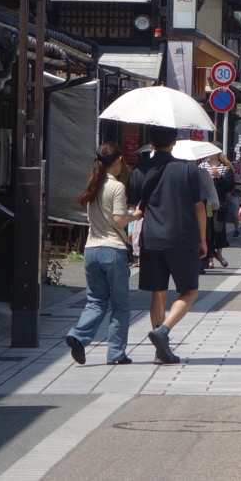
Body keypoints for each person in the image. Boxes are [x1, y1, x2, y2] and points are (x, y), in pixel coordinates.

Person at [128, 125, 208, 365]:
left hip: (151, 239)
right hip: (182, 238)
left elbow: (133, 207)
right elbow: (199, 207)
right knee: (189, 290)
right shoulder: (188, 170)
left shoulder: (139, 170)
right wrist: (203, 239)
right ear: (175, 141)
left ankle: (159, 349)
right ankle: (163, 331)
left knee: (158, 293)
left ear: (151, 142)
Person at [65, 143, 139, 366]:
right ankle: (116, 353)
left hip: (91, 249)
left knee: (95, 301)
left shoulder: (93, 183)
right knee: (120, 306)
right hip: (112, 250)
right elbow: (118, 220)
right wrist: (135, 216)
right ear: (117, 160)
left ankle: (78, 335)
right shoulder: (116, 187)